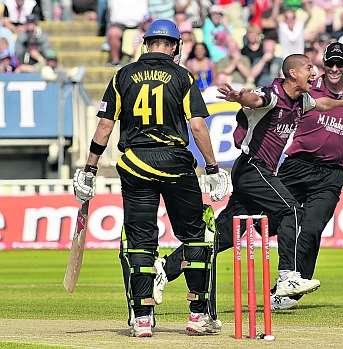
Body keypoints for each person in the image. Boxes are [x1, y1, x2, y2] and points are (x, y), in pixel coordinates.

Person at [159, 53, 343, 311]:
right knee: (291, 211)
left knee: (222, 236)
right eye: (309, 68)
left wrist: (342, 101)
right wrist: (237, 97)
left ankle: (164, 270)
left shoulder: (302, 100)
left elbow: (321, 104)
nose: (315, 73)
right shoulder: (274, 95)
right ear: (292, 74)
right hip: (252, 168)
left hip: (257, 173)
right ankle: (287, 276)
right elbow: (254, 98)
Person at [72, 19, 229, 337]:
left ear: (147, 44)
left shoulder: (123, 75)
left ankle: (142, 318)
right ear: (173, 46)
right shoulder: (183, 76)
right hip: (175, 165)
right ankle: (197, 314)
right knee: (196, 238)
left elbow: (104, 127)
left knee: (141, 242)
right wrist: (213, 167)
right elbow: (197, 127)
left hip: (135, 164)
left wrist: (89, 169)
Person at [274, 42, 343, 308]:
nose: (335, 69)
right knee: (273, 221)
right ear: (323, 64)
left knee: (312, 229)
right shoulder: (307, 89)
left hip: (329, 174)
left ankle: (289, 292)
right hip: (296, 166)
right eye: (331, 63)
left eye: (341, 64)